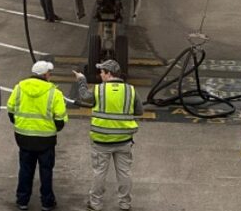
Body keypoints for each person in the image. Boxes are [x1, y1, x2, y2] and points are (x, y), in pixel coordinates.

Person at [73, 60, 142, 211]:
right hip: (124, 140)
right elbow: (139, 111)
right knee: (124, 173)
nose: (100, 75)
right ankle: (125, 203)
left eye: (102, 72)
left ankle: (95, 204)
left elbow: (84, 96)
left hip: (101, 140)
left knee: (99, 173)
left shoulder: (99, 90)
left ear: (109, 74)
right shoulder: (131, 90)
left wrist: (82, 80)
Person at [7, 61, 68, 211]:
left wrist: (20, 125)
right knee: (46, 171)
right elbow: (60, 119)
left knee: (25, 169)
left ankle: (22, 200)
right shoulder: (54, 93)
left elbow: (10, 110)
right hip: (46, 139)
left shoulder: (19, 87)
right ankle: (47, 202)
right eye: (49, 73)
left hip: (24, 136)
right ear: (45, 74)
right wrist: (52, 129)